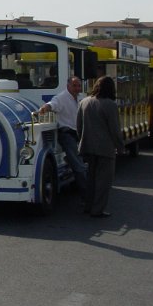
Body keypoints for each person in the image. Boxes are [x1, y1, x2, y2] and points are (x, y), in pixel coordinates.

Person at [77, 75, 125, 218]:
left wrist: (82, 141)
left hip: (87, 146)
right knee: (103, 181)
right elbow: (115, 130)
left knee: (90, 179)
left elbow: (78, 126)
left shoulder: (84, 102)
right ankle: (97, 210)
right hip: (105, 148)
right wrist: (120, 147)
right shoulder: (110, 105)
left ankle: (88, 205)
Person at [38, 76, 87, 197]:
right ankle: (87, 195)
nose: (77, 88)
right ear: (68, 85)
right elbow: (52, 104)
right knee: (79, 165)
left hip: (79, 133)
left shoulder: (81, 98)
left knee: (84, 161)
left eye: (79, 86)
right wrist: (45, 108)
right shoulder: (61, 98)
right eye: (75, 85)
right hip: (66, 134)